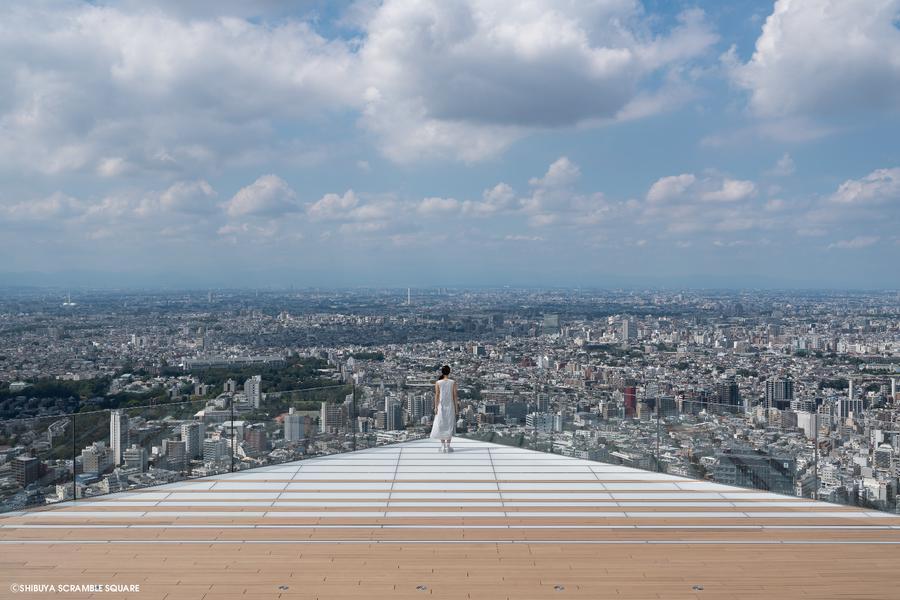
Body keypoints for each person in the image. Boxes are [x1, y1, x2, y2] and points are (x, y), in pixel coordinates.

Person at [430, 365, 459, 452]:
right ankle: (448, 446)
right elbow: (455, 396)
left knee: (441, 425)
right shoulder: (453, 382)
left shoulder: (438, 382)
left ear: (442, 372)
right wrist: (456, 408)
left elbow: (437, 395)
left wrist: (435, 407)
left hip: (441, 406)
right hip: (450, 406)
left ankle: (443, 446)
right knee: (449, 425)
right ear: (449, 372)